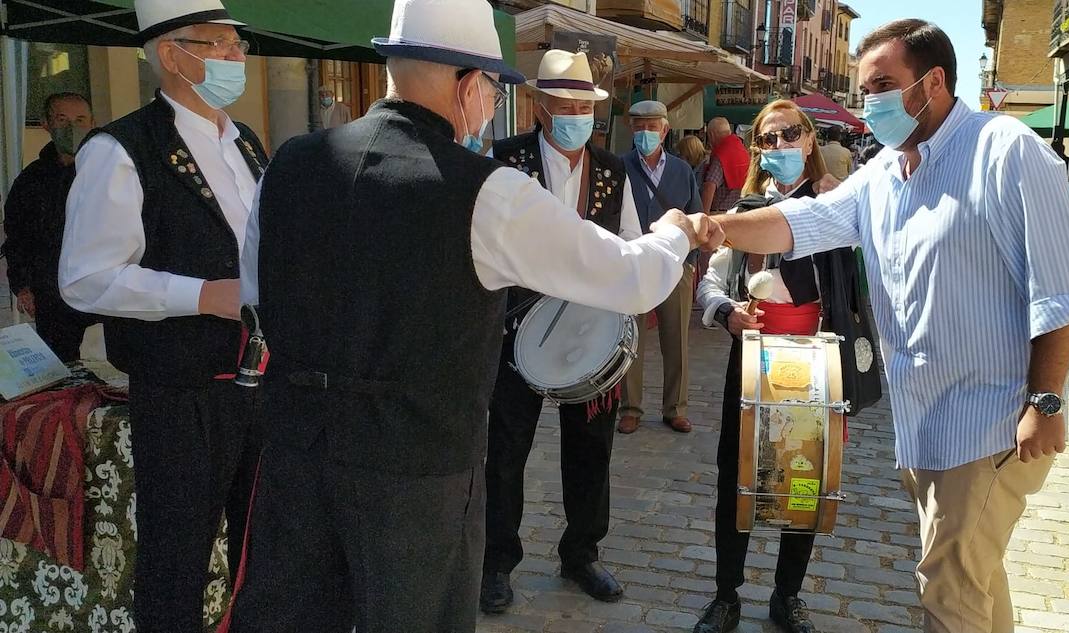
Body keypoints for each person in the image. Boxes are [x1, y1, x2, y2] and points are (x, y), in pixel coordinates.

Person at [227, 2, 718, 630]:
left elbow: (258, 299)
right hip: (417, 465)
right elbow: (632, 276)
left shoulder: (289, 163)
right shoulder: (488, 189)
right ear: (468, 85)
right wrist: (675, 232)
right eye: (491, 87)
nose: (489, 103)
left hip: (294, 450)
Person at [706, 19, 1069, 633]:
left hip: (991, 421)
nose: (872, 103)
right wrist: (716, 228)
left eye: (884, 84)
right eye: (866, 89)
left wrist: (1044, 400)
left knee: (949, 588)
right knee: (974, 576)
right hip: (926, 419)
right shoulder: (885, 171)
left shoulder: (1007, 150)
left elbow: (1063, 292)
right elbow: (800, 222)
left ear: (932, 82)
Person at [58, 1, 266, 630]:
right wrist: (202, 294)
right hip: (181, 395)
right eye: (221, 45)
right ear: (174, 54)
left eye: (238, 46)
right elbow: (86, 279)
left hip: (258, 384)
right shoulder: (120, 149)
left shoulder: (244, 140)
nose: (236, 59)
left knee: (264, 555)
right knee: (177, 565)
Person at [693, 99, 882, 633]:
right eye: (768, 138)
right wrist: (726, 311)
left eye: (789, 135)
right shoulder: (745, 208)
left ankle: (786, 596)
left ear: (808, 140)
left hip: (816, 366)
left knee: (804, 478)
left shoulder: (835, 208)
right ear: (757, 148)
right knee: (738, 478)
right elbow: (711, 279)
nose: (779, 147)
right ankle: (726, 595)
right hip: (752, 364)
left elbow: (861, 283)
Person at [480, 48, 651, 613]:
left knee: (591, 449)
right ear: (540, 106)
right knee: (505, 452)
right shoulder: (504, 162)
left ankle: (582, 553)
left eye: (586, 104)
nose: (579, 113)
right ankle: (496, 562)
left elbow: (629, 243)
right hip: (515, 332)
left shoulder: (611, 169)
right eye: (567, 103)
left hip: (590, 334)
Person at [618, 100, 701, 434]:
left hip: (676, 264)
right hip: (633, 263)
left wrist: (690, 264)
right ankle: (630, 408)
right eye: (639, 127)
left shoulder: (681, 170)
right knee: (630, 339)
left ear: (665, 130)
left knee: (676, 338)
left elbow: (694, 213)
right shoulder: (620, 165)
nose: (646, 133)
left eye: (652, 126)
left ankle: (675, 407)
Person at [2, 93, 100, 362]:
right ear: (46, 124)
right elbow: (17, 236)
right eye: (62, 119)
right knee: (62, 370)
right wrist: (22, 286)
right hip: (53, 297)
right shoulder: (32, 180)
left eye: (80, 119)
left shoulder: (110, 169)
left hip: (107, 292)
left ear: (93, 122)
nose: (72, 127)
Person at [702, 116, 748, 214]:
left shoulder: (721, 154)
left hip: (722, 213)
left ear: (712, 135)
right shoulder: (742, 150)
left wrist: (704, 214)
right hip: (741, 210)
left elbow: (709, 186)